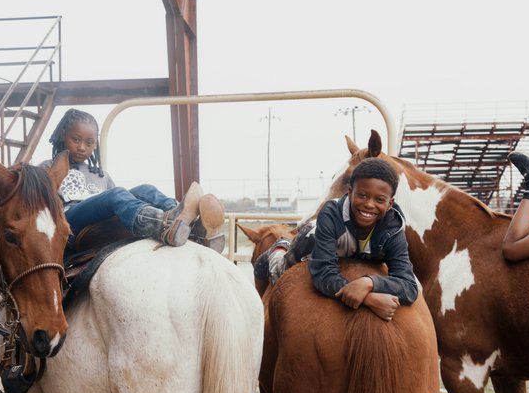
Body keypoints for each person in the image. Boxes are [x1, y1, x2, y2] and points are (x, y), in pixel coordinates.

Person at [257, 158, 419, 321]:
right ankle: (281, 246)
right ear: (349, 193)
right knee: (266, 264)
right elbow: (323, 273)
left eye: (379, 200)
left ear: (390, 203)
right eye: (362, 195)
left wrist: (368, 283)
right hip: (310, 242)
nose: (369, 204)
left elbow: (409, 286)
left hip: (352, 252)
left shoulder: (394, 227)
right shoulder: (330, 214)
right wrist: (369, 299)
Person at [46, 108, 223, 249]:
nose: (82, 147)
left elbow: (114, 205)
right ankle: (160, 224)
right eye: (76, 139)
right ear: (63, 134)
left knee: (146, 190)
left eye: (89, 143)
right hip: (69, 220)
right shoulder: (46, 168)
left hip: (98, 222)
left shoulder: (100, 174)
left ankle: (184, 221)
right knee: (116, 195)